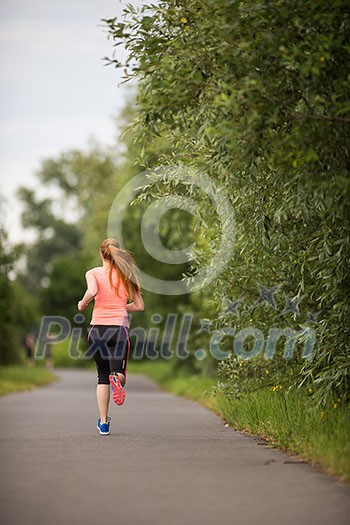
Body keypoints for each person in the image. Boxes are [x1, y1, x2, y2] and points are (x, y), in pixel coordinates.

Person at [77, 238, 144, 436]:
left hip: (96, 330)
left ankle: (104, 423)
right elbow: (139, 306)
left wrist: (83, 303)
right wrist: (122, 307)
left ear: (101, 254)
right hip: (118, 330)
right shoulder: (126, 275)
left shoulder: (93, 273)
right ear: (118, 254)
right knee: (118, 374)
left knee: (101, 377)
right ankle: (118, 380)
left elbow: (93, 291)